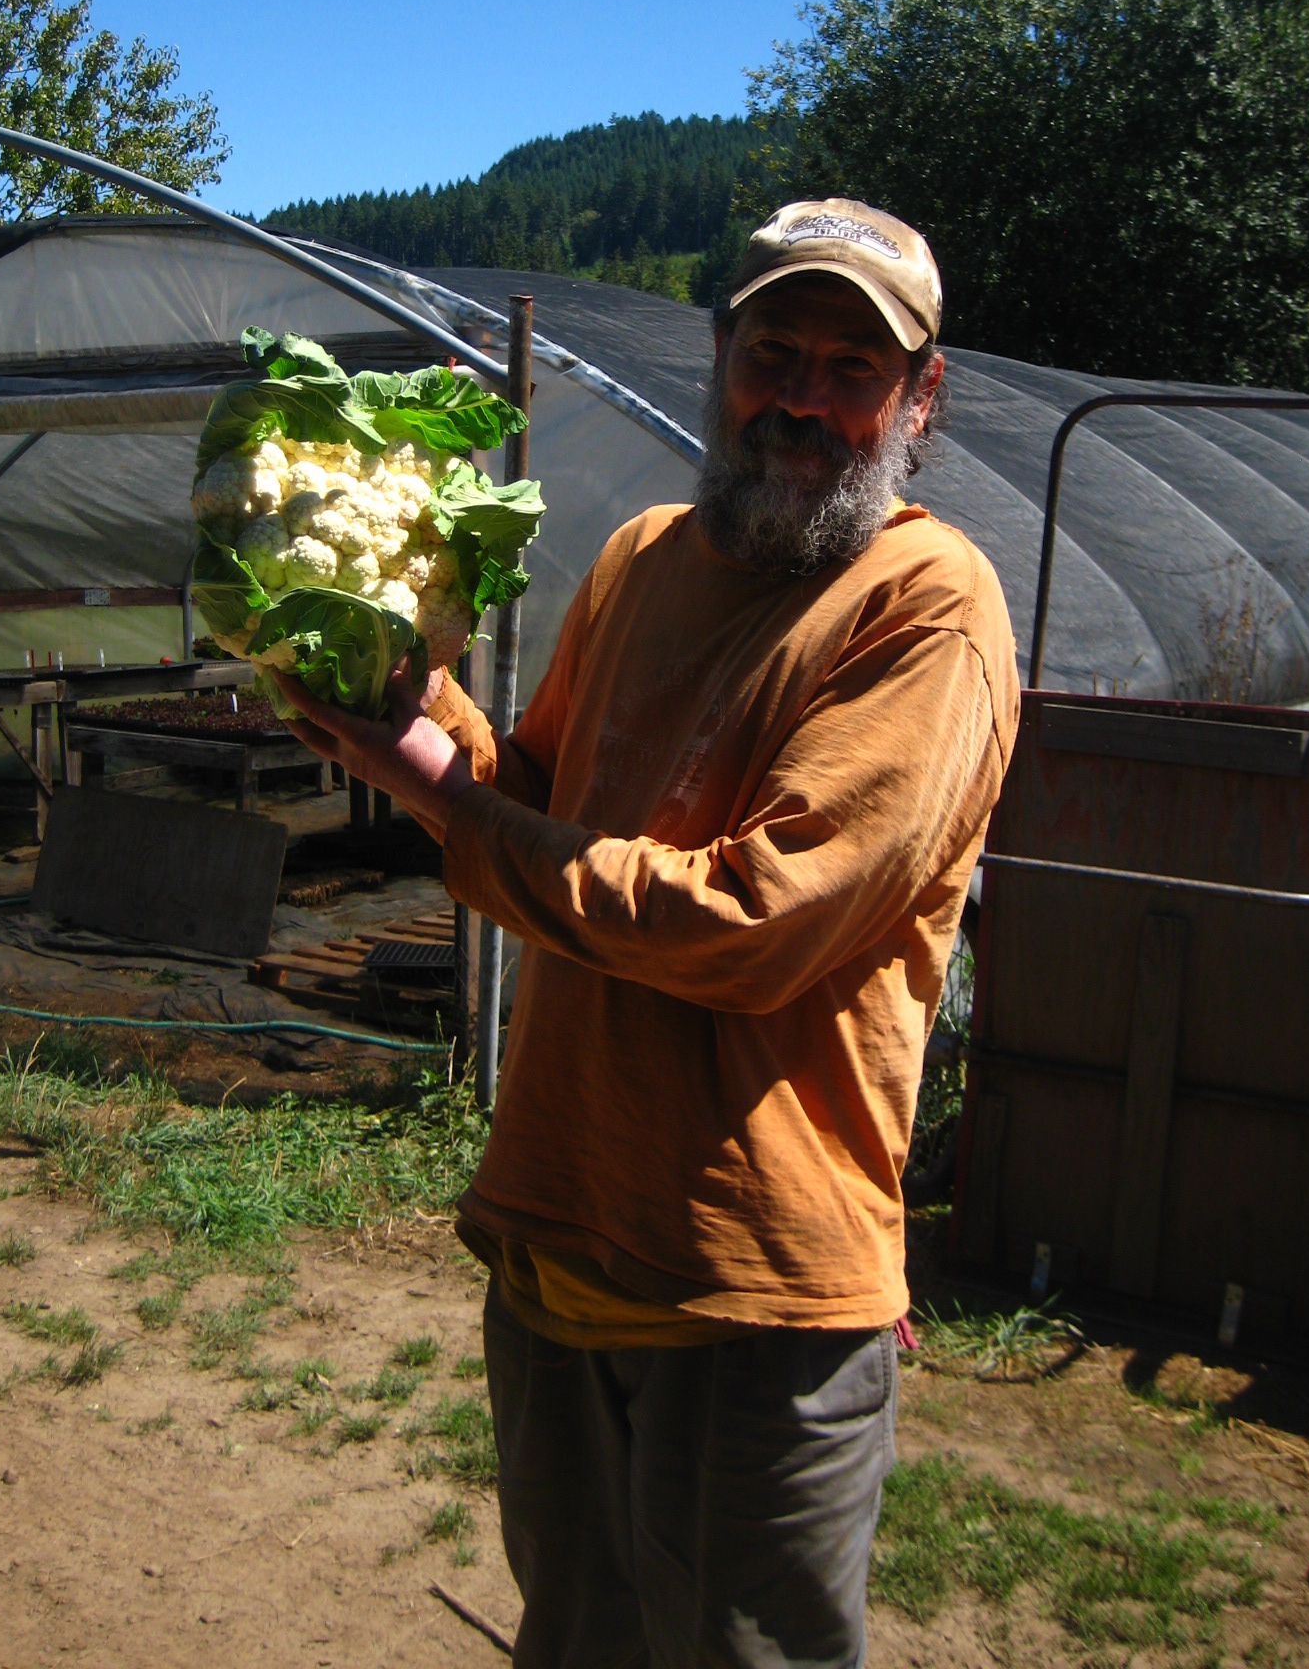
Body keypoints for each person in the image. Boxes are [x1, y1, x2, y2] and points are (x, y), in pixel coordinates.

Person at [275, 198, 1019, 1669]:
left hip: (752, 1301)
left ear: (920, 398)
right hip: (557, 1244)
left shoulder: (928, 607)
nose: (802, 396)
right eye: (773, 348)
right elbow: (542, 802)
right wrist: (412, 705)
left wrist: (453, 809)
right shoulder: (639, 557)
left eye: (853, 367)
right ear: (720, 354)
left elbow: (760, 927)